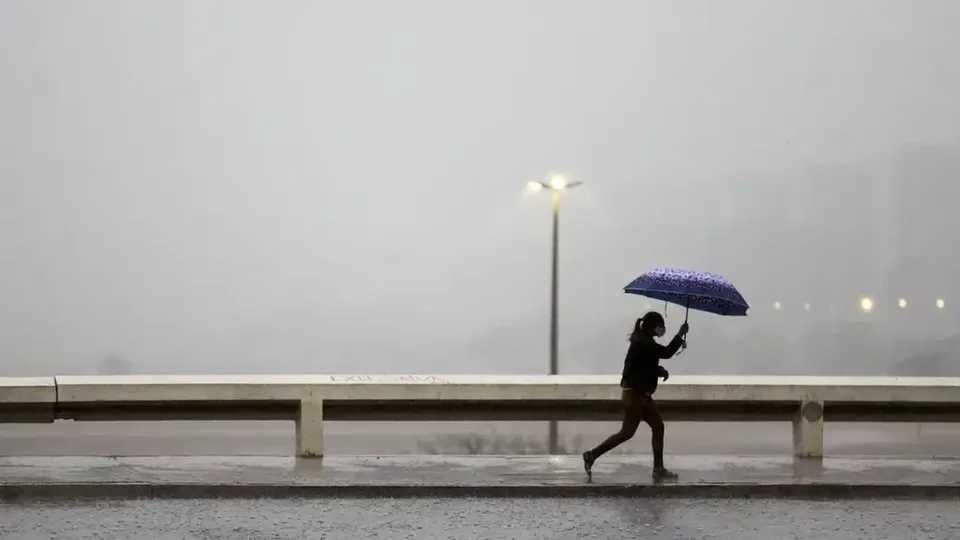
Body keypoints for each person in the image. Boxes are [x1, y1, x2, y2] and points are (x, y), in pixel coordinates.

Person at [582, 311, 689, 480]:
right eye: (661, 326)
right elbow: (638, 371)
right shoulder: (642, 344)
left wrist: (680, 335)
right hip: (635, 395)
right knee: (627, 432)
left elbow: (665, 353)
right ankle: (592, 455)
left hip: (642, 395)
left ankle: (658, 468)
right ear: (654, 327)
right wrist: (658, 370)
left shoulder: (645, 342)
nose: (663, 329)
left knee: (657, 427)